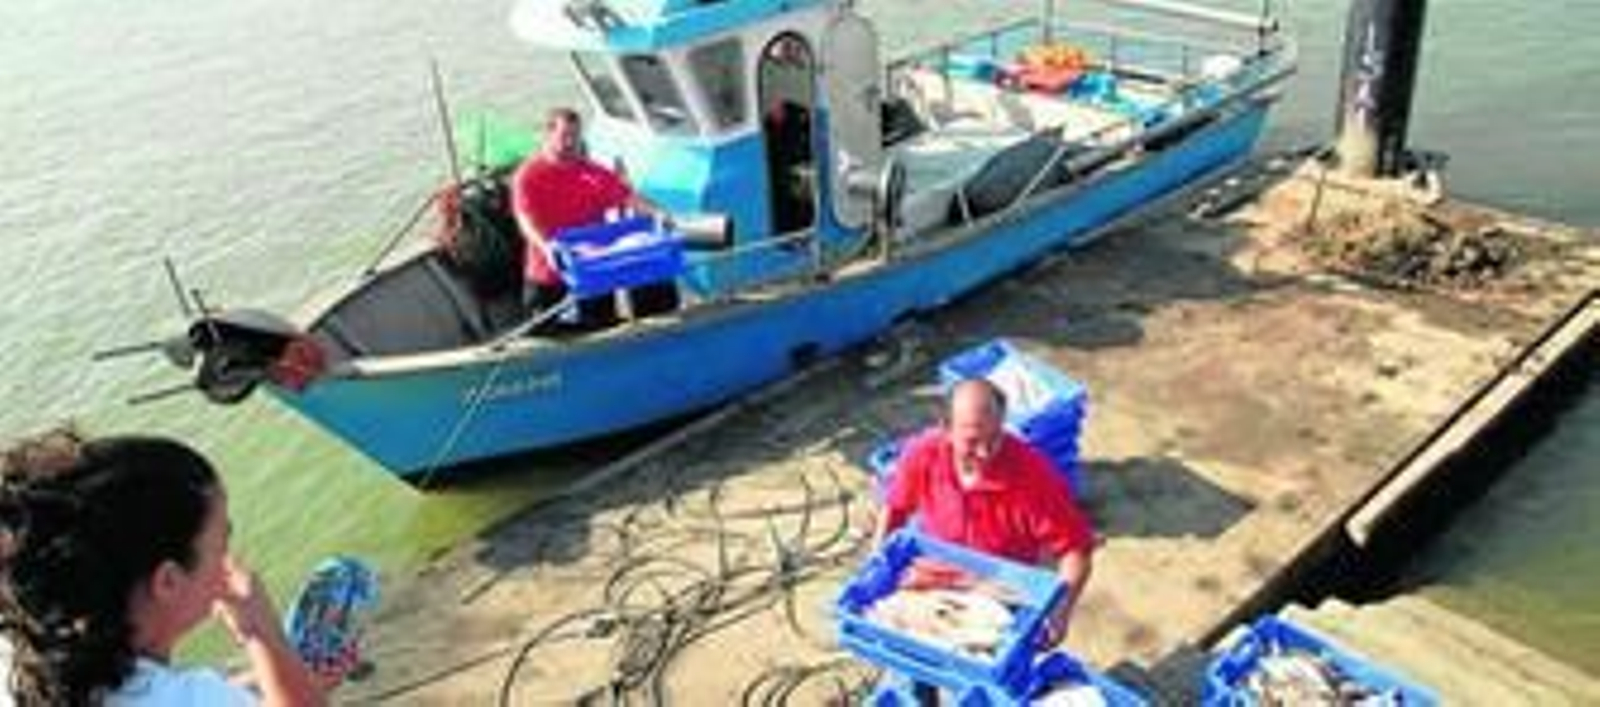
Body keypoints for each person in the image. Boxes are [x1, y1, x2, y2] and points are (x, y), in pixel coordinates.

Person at [0, 428, 329, 706]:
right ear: (167, 581)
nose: (229, 559)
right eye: (222, 543)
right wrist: (264, 635)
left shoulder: (21, 651)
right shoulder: (194, 698)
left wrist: (255, 682)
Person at [875, 378, 1095, 645]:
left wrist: (1061, 611)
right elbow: (895, 508)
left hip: (1000, 590)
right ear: (946, 428)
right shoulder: (922, 454)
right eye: (972, 441)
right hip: (930, 578)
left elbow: (1076, 550)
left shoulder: (1033, 475)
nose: (983, 452)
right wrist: (879, 560)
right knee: (909, 648)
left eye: (994, 438)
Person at [512, 107, 661, 325]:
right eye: (565, 136)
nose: (571, 142)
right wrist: (547, 247)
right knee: (542, 333)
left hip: (592, 270)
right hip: (549, 272)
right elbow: (525, 220)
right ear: (548, 135)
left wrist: (662, 215)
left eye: (575, 135)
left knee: (602, 325)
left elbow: (631, 199)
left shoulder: (594, 173)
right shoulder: (527, 175)